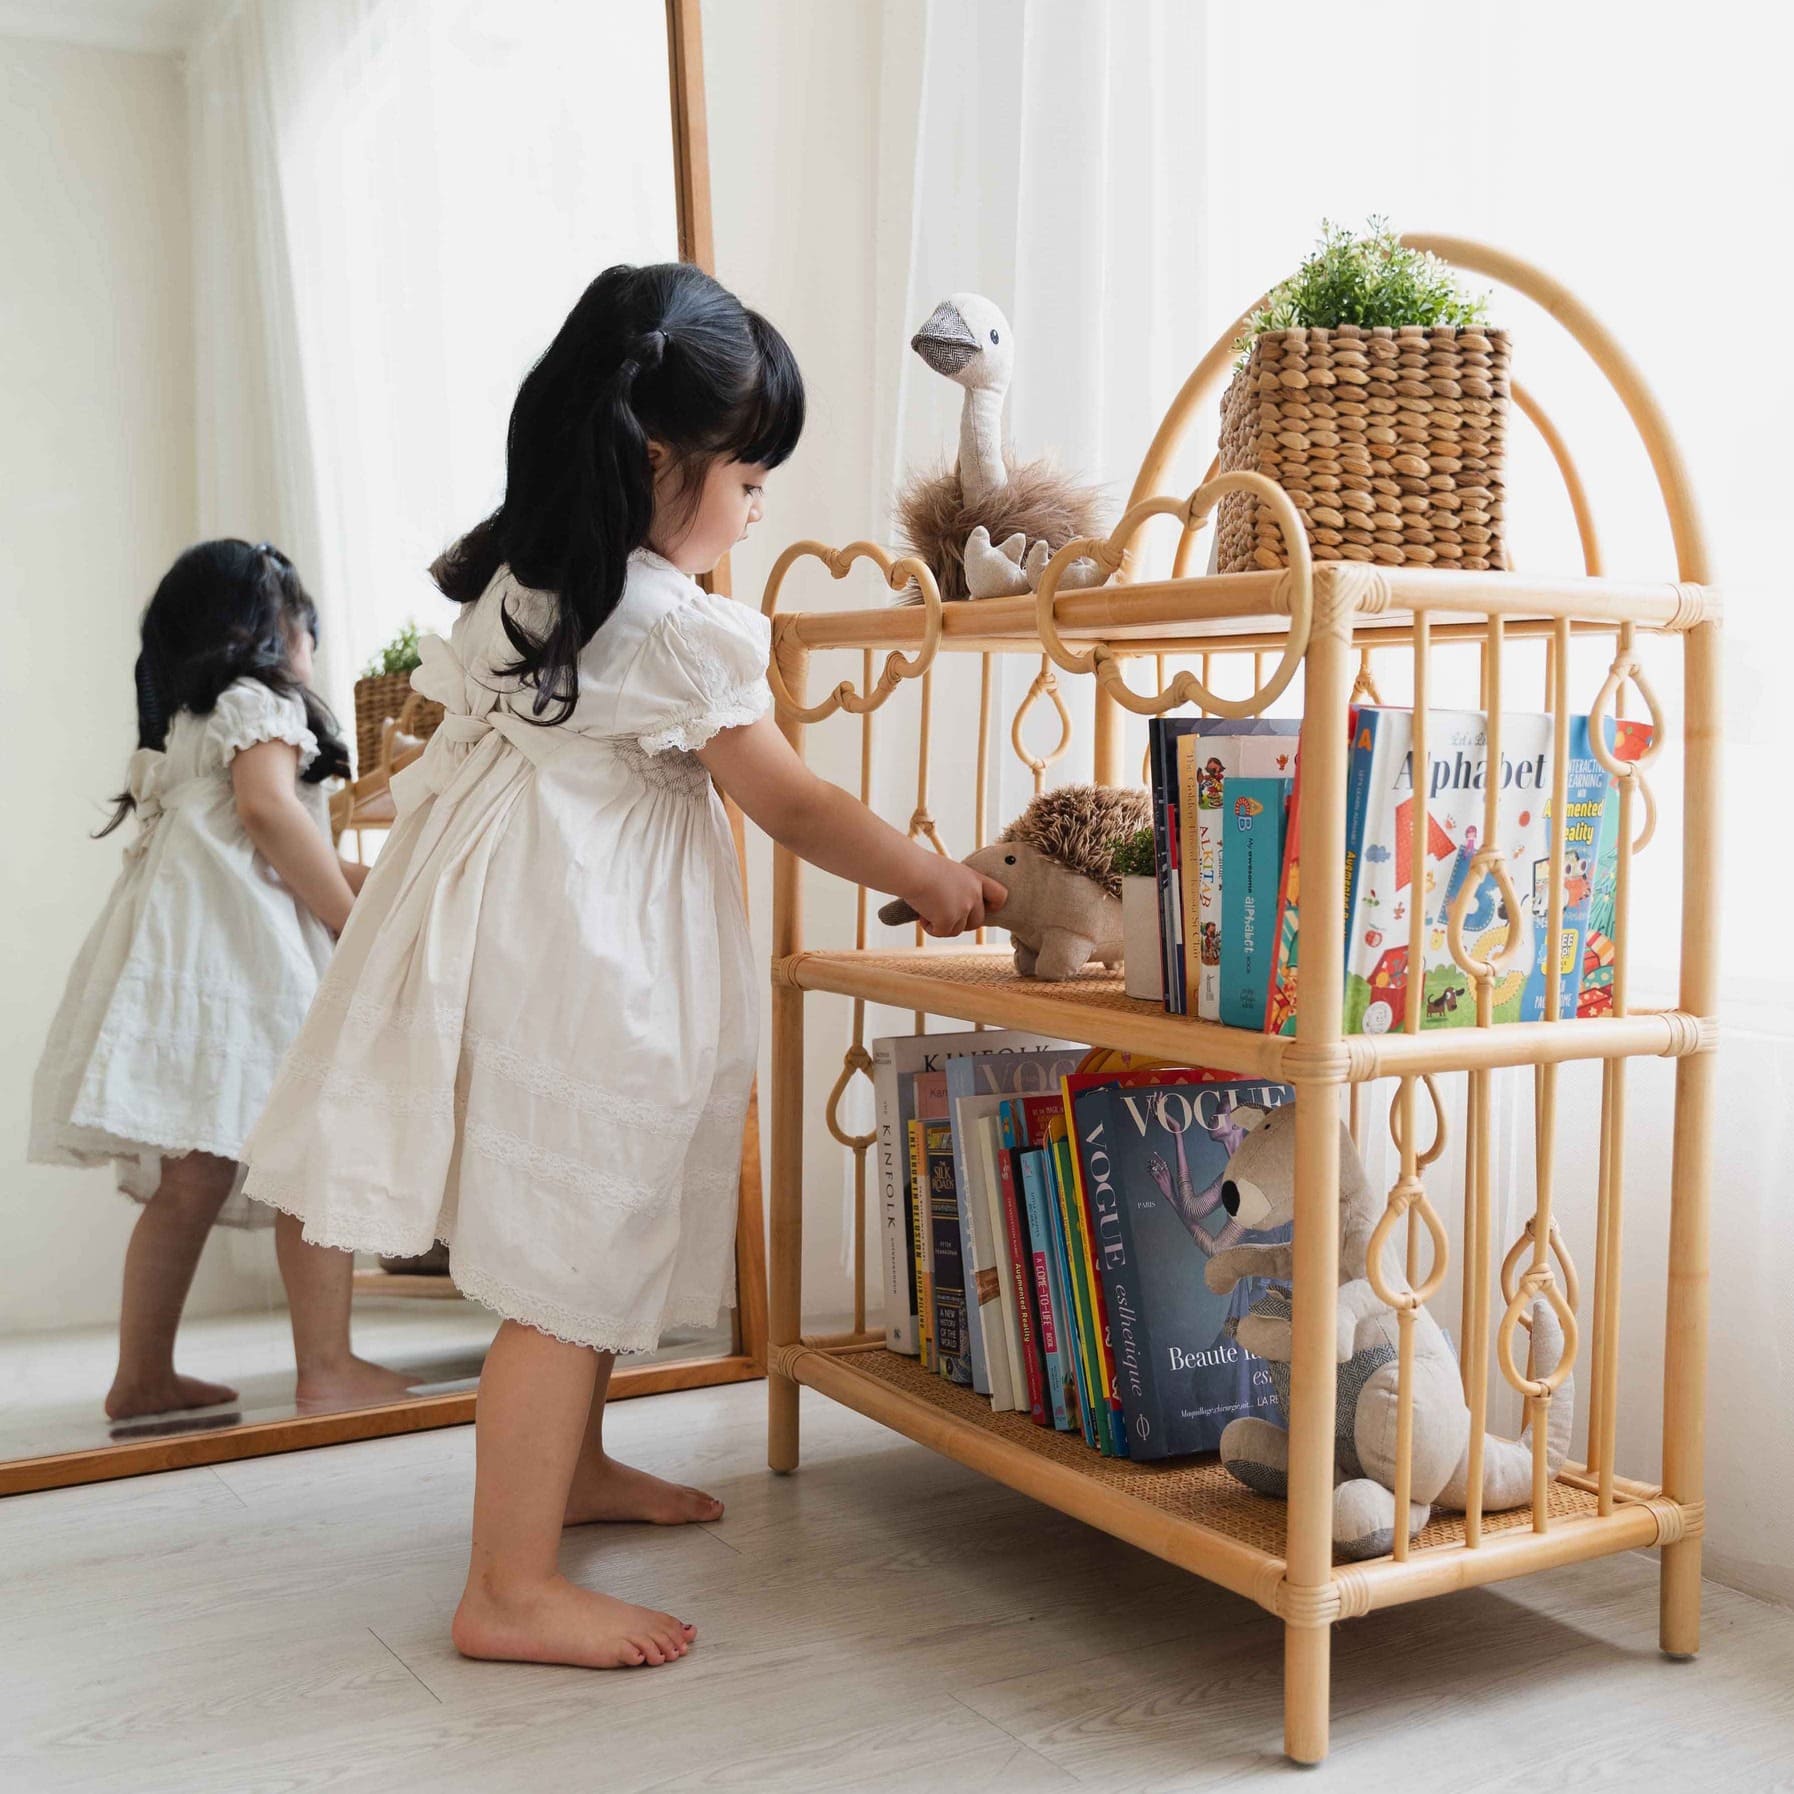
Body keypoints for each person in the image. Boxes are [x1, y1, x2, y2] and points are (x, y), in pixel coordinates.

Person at [242, 263, 1004, 1671]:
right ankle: (508, 1585)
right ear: (660, 461)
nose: (758, 509)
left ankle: (574, 1471)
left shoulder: (530, 588)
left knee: (580, 1233)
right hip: (595, 965)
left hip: (535, 939)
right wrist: (929, 877)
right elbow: (791, 802)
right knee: (567, 1265)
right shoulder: (666, 625)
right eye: (750, 481)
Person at [30, 540, 414, 1421]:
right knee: (310, 1152)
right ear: (268, 631)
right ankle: (327, 1366)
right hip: (247, 966)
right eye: (305, 628)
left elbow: (269, 839)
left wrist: (383, 891)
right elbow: (270, 815)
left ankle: (142, 1376)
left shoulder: (187, 727)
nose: (311, 647)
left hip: (190, 969)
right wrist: (349, 921)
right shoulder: (262, 704)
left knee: (193, 1176)